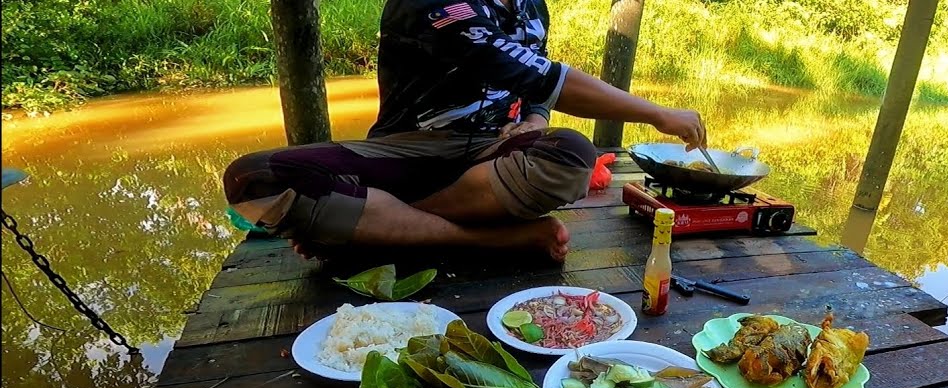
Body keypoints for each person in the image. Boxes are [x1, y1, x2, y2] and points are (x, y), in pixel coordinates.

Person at [222, 0, 707, 261]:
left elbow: (534, 84)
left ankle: (377, 227)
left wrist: (533, 122)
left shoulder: (530, 6)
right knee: (254, 181)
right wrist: (659, 113)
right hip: (408, 151)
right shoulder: (433, 3)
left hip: (488, 155)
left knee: (572, 156)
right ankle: (498, 241)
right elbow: (547, 77)